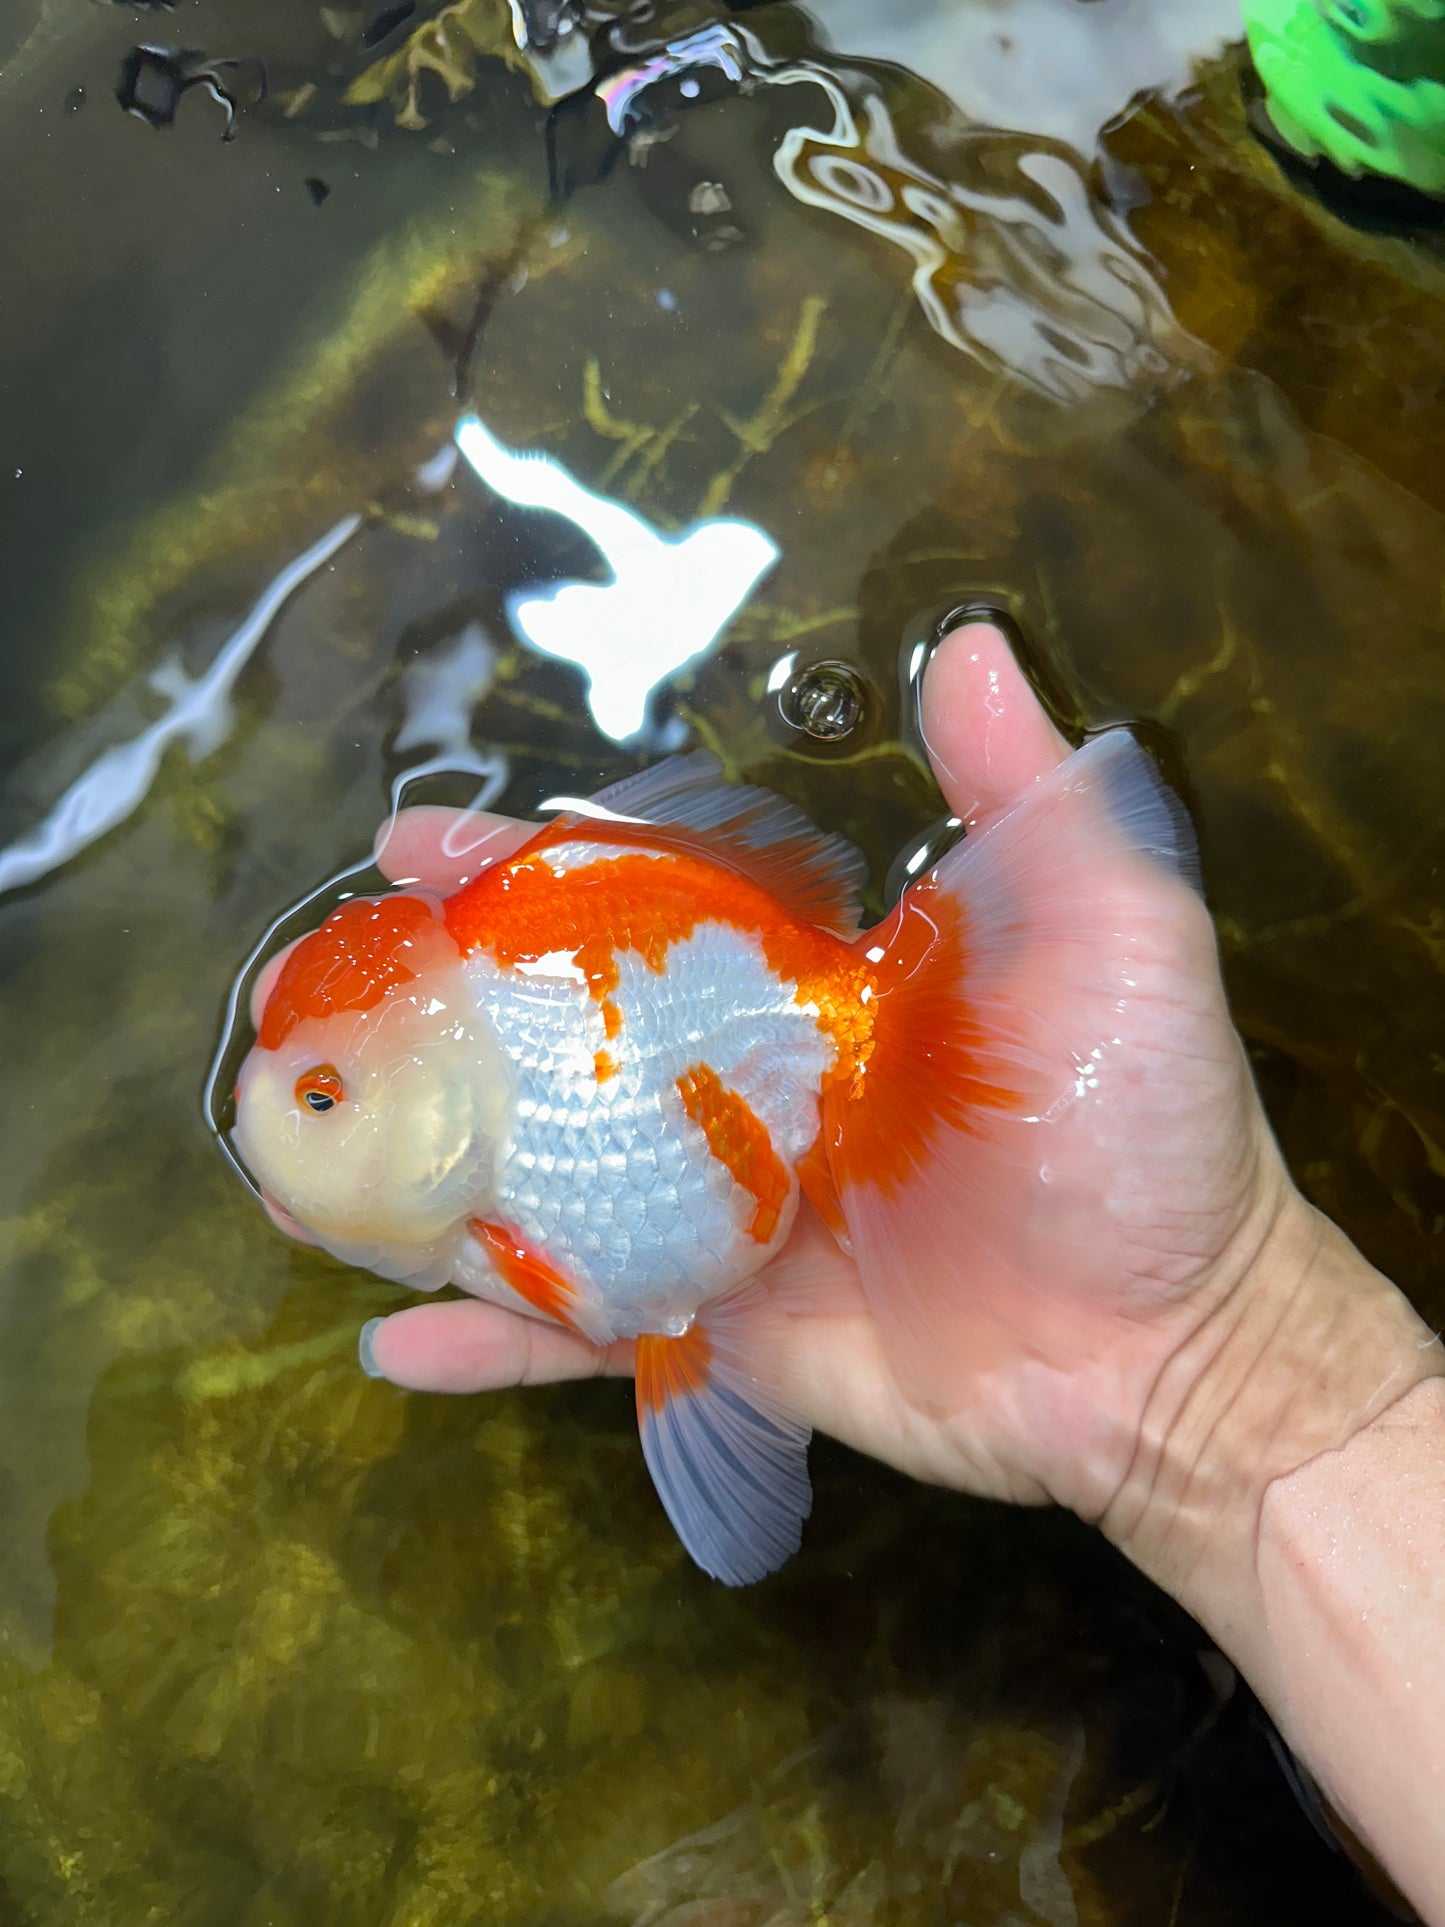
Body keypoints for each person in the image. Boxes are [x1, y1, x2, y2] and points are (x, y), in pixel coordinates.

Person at [357, 620, 1445, 1921]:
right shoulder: (466, 1139)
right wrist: (1242, 1384)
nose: (292, 1123)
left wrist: (1226, 1365)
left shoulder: (507, 1122)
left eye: (320, 1097)